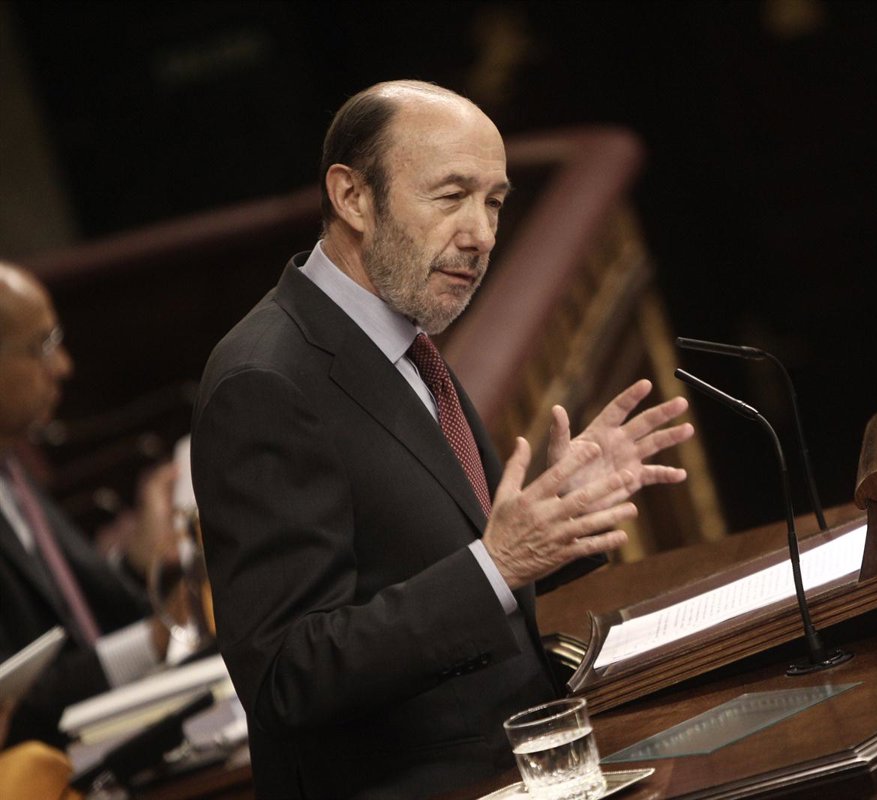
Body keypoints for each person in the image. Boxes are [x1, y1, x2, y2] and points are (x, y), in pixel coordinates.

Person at [190, 79, 694, 798]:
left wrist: (559, 517)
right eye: (451, 195)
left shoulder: (403, 335)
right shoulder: (264, 381)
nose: (481, 233)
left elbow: (428, 561)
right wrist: (499, 562)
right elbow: (285, 674)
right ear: (352, 197)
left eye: (494, 202)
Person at [0, 262, 179, 747]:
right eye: (42, 346)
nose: (63, 367)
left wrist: (140, 560)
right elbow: (14, 702)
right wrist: (155, 639)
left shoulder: (12, 468)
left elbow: (77, 617)